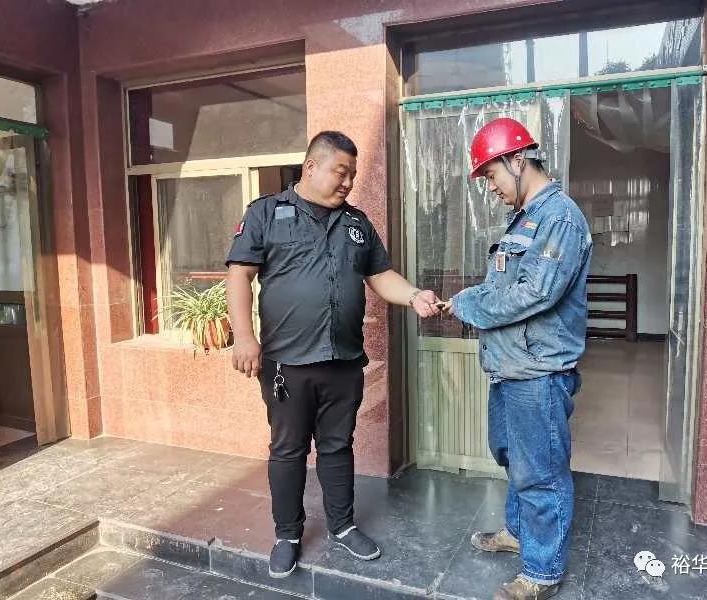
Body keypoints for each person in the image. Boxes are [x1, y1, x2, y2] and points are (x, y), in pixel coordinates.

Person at [225, 131, 441, 579]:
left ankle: (342, 525)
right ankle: (288, 535)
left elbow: (380, 275)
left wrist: (414, 295)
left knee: (338, 446)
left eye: (353, 175)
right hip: (287, 364)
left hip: (343, 362)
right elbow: (240, 275)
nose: (348, 182)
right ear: (311, 166)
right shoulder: (266, 213)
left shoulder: (356, 223)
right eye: (340, 172)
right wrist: (244, 337)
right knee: (287, 450)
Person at [443, 118, 592, 600]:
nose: (490, 187)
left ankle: (543, 571)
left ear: (518, 160)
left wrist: (468, 304)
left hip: (538, 371)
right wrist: (470, 297)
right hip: (509, 367)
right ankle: (520, 532)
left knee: (541, 471)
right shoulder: (525, 220)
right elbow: (505, 285)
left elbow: (537, 293)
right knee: (511, 453)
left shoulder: (559, 218)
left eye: (491, 175)